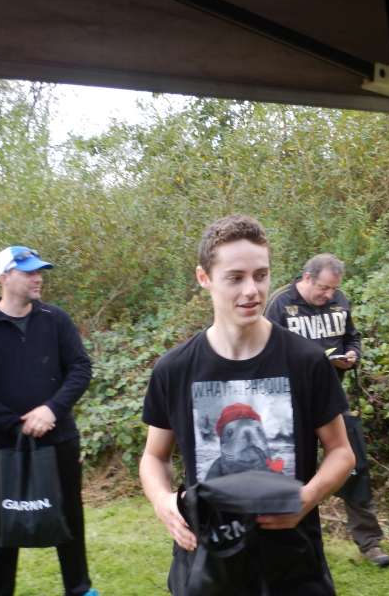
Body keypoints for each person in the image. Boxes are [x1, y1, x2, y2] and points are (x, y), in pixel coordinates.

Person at [139, 215, 354, 595]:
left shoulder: (305, 361)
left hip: (292, 563)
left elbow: (341, 452)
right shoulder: (175, 369)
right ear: (204, 278)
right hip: (208, 562)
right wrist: (162, 500)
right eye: (235, 278)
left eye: (261, 275)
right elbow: (155, 457)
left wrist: (308, 497)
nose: (252, 290)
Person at [0, 246, 98, 596]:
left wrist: (51, 410)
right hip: (3, 447)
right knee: (0, 525)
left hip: (59, 439)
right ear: (4, 277)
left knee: (69, 518)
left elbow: (80, 369)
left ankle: (79, 589)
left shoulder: (55, 319)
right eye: (29, 272)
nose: (38, 278)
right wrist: (16, 424)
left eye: (40, 271)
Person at [264, 253, 389, 568]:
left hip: (332, 399)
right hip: (291, 404)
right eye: (323, 288)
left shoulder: (340, 302)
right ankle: (287, 540)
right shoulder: (280, 304)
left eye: (334, 288)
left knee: (354, 467)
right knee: (292, 471)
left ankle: (370, 543)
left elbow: (352, 337)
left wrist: (352, 355)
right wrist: (311, 363)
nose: (329, 294)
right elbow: (265, 352)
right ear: (307, 278)